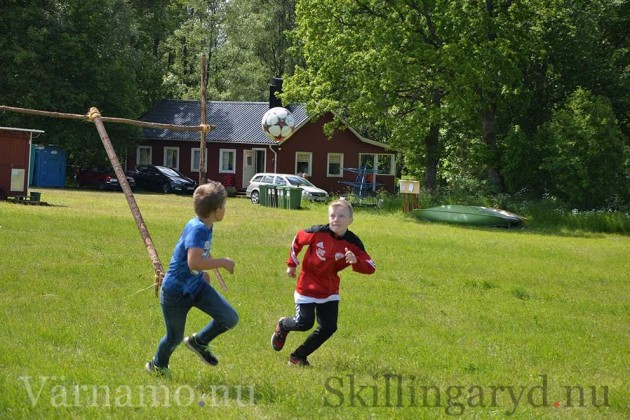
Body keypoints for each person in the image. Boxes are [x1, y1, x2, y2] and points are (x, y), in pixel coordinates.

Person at [146, 181, 238, 375]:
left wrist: (202, 273)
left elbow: (195, 261)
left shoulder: (205, 224)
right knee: (174, 338)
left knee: (229, 317)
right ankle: (157, 366)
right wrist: (222, 261)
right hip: (175, 292)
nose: (225, 210)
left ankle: (199, 341)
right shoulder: (198, 229)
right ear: (216, 209)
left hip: (195, 285)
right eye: (224, 206)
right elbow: (193, 262)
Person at [271, 199, 376, 366]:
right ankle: (283, 325)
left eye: (342, 216)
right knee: (304, 323)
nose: (336, 219)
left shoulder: (353, 243)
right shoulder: (317, 232)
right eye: (332, 215)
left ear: (350, 220)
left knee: (329, 327)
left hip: (329, 290)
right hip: (307, 286)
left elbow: (371, 267)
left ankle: (298, 356)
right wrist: (291, 264)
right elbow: (298, 239)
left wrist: (356, 261)